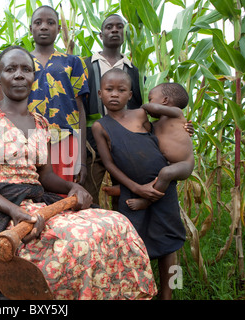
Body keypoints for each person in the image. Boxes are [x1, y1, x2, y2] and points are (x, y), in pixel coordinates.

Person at [0, 45, 157, 300]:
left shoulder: (39, 123)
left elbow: (46, 176)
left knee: (117, 223)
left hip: (36, 200)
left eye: (26, 69)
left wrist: (72, 187)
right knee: (76, 238)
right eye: (11, 69)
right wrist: (14, 210)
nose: (19, 75)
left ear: (34, 76)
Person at [92, 68, 186, 299]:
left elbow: (167, 129)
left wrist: (185, 128)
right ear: (99, 93)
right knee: (132, 244)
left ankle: (171, 293)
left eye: (121, 90)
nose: (115, 94)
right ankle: (137, 292)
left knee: (171, 243)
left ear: (130, 94)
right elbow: (109, 164)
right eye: (109, 90)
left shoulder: (142, 115)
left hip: (164, 190)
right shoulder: (100, 126)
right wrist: (135, 188)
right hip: (131, 194)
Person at [83, 14, 143, 207]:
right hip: (92, 144)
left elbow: (140, 105)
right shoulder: (85, 65)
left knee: (126, 194)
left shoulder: (133, 70)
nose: (114, 30)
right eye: (109, 27)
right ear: (101, 34)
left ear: (125, 34)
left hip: (125, 142)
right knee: (88, 190)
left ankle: (125, 233)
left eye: (119, 27)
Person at [27, 5, 89, 185]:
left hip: (65, 139)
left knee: (62, 195)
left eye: (50, 22)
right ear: (31, 29)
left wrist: (82, 161)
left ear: (59, 29)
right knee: (29, 192)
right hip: (28, 138)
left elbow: (80, 109)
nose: (44, 27)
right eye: (38, 23)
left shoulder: (73, 62)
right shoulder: (21, 62)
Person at [125, 82, 195, 210]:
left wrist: (143, 107)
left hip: (184, 163)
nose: (149, 102)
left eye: (150, 99)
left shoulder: (177, 114)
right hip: (168, 162)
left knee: (166, 173)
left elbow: (155, 109)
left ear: (165, 100)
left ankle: (148, 201)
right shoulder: (155, 125)